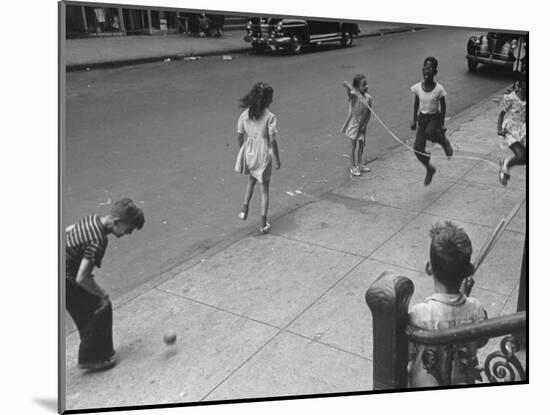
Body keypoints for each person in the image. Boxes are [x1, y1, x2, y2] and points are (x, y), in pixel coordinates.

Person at [65, 198, 145, 371]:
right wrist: (102, 293)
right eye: (128, 229)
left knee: (86, 314)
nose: (128, 234)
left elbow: (69, 230)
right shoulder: (99, 240)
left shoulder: (92, 219)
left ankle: (93, 354)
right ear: (116, 222)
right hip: (66, 279)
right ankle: (94, 359)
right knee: (101, 307)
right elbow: (82, 277)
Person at [407, 221, 488, 386]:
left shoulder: (418, 315)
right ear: (469, 271)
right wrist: (465, 297)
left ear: (428, 268)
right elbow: (481, 341)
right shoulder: (477, 311)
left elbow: (407, 353)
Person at [234, 81, 281, 234]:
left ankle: (244, 209)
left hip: (250, 151)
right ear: (267, 99)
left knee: (251, 180)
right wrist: (277, 159)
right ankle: (262, 223)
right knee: (264, 190)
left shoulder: (245, 115)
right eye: (271, 98)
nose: (272, 101)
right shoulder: (270, 117)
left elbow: (240, 135)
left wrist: (243, 149)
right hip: (263, 154)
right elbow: (272, 141)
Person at [410, 56, 453, 186]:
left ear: (435, 72)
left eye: (431, 68)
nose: (427, 70)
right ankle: (429, 168)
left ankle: (443, 142)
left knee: (430, 132)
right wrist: (413, 120)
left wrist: (442, 124)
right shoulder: (417, 88)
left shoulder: (439, 89)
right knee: (417, 149)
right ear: (422, 70)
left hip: (434, 118)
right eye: (425, 67)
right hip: (422, 119)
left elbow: (443, 106)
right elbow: (416, 103)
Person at [497, 71, 526, 186]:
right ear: (520, 84)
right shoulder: (511, 97)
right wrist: (499, 129)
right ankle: (506, 165)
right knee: (521, 155)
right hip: (511, 130)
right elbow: (501, 114)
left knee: (524, 160)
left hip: (523, 130)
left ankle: (505, 162)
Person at [341, 75, 373, 177]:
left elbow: (369, 113)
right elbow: (350, 92)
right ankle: (352, 167)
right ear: (357, 88)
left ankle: (360, 164)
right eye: (363, 85)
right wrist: (348, 86)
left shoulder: (368, 98)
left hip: (363, 125)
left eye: (366, 84)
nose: (366, 86)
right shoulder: (354, 97)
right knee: (353, 146)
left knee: (362, 144)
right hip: (354, 125)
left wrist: (365, 125)